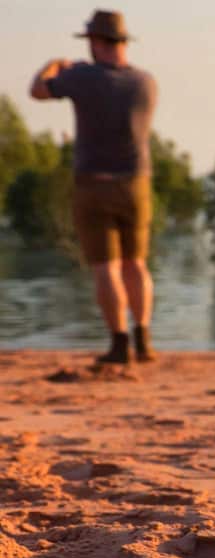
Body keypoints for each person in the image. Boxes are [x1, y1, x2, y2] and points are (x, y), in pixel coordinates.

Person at [30, 9, 158, 365]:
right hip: (136, 182)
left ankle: (119, 343)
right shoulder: (146, 82)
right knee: (137, 263)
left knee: (107, 268)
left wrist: (54, 66)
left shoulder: (83, 77)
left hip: (93, 182)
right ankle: (143, 337)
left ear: (97, 42)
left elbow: (37, 91)